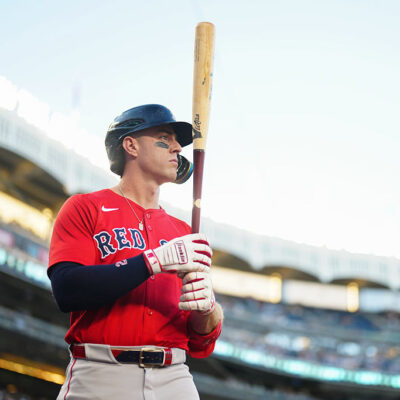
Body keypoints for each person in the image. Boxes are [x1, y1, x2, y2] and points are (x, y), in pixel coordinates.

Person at [48, 104, 223, 400]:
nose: (178, 147)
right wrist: (152, 260)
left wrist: (208, 310)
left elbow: (200, 343)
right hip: (101, 372)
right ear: (130, 145)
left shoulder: (184, 232)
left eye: (176, 141)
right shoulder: (84, 207)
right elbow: (67, 290)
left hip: (175, 375)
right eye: (164, 138)